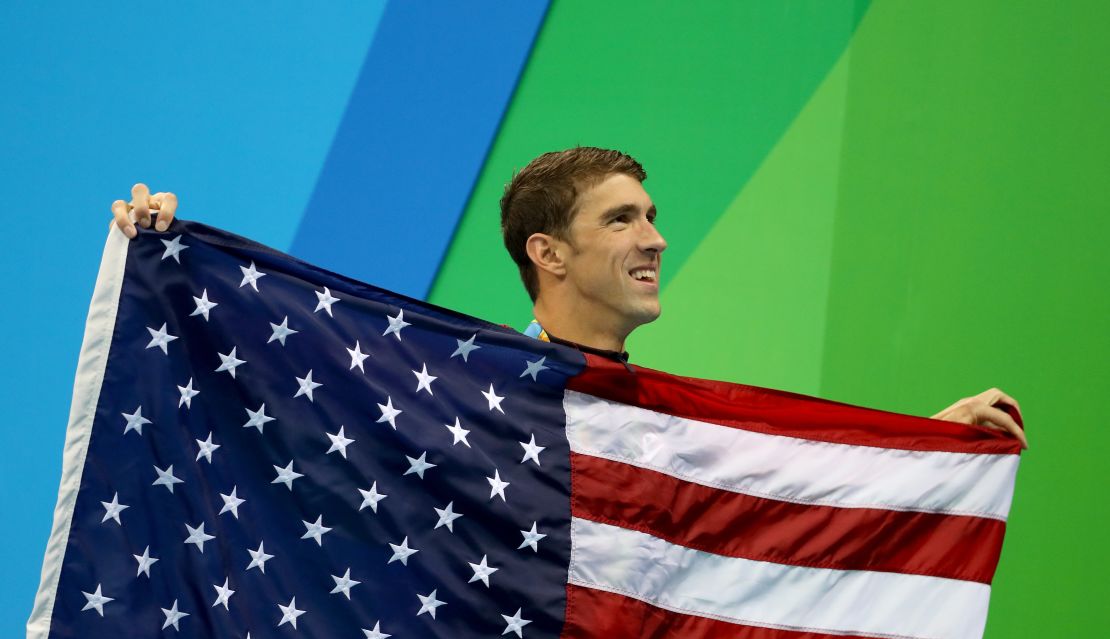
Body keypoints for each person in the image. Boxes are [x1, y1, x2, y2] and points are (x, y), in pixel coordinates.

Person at [108, 147, 1027, 447]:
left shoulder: (666, 436)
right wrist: (166, 263)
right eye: (623, 220)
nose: (658, 240)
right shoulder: (461, 398)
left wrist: (932, 446)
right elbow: (282, 406)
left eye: (654, 217)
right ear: (548, 251)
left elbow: (782, 520)